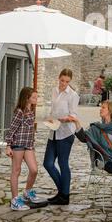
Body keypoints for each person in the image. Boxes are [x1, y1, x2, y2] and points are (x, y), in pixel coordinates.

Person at [43, 68, 79, 205]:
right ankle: (63, 192)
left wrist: (66, 118)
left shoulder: (73, 95)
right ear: (59, 78)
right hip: (53, 131)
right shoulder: (54, 90)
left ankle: (64, 196)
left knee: (63, 163)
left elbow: (74, 115)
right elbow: (53, 110)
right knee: (48, 163)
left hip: (66, 133)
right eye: (62, 80)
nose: (64, 84)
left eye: (67, 82)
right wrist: (50, 118)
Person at [5, 87, 40, 211]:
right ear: (27, 98)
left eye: (37, 97)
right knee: (16, 171)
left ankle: (27, 192)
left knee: (34, 170)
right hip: (18, 145)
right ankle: (14, 200)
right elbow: (11, 130)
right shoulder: (19, 112)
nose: (36, 99)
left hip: (28, 145)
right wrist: (8, 146)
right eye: (34, 97)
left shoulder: (32, 110)